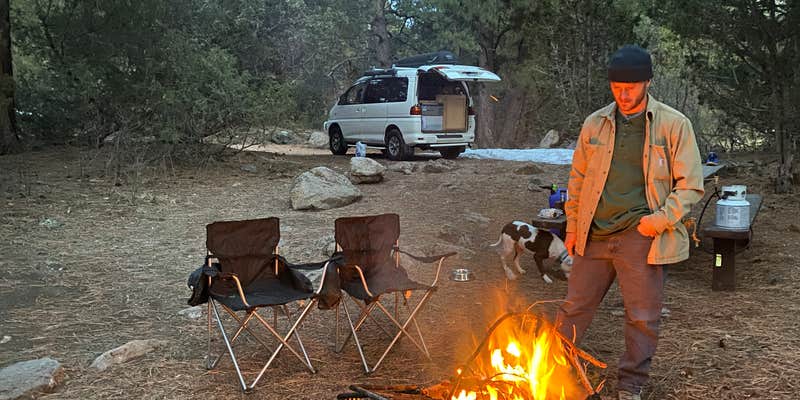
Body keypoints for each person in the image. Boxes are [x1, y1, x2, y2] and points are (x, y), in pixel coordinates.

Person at [556, 45, 704, 400]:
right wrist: (574, 227)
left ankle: (630, 386)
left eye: (632, 87)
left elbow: (691, 185)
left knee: (641, 315)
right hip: (594, 233)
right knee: (574, 308)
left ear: (647, 83)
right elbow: (577, 179)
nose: (623, 95)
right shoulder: (595, 123)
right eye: (617, 87)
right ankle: (554, 369)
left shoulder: (672, 124)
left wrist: (656, 222)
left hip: (640, 235)